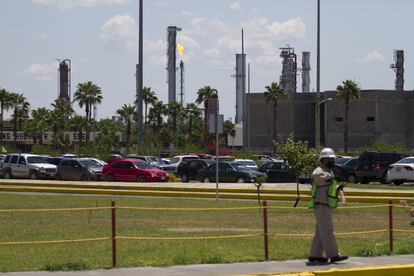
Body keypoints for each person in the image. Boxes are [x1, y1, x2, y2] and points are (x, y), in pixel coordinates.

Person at [307, 148, 348, 266]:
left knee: (320, 232)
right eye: (329, 159)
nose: (332, 161)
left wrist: (338, 188)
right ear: (323, 160)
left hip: (325, 205)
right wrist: (330, 179)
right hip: (321, 205)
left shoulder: (329, 171)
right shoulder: (319, 171)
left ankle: (315, 256)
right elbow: (318, 177)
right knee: (328, 231)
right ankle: (333, 254)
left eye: (332, 159)